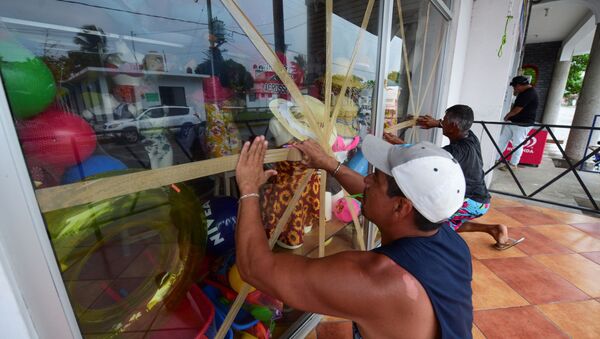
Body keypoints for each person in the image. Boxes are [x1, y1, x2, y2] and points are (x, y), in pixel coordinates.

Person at [235, 135, 473, 338]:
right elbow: (379, 198)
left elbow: (255, 268)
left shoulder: (380, 281)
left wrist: (248, 190)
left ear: (401, 207)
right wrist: (329, 164)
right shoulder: (452, 242)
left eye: (375, 178)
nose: (366, 179)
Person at [384, 104, 524, 250]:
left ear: (453, 126)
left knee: (432, 223)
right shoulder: (470, 136)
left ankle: (434, 253)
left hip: (471, 201)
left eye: (444, 120)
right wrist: (437, 123)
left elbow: (425, 157)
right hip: (479, 199)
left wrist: (398, 143)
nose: (442, 121)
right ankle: (494, 229)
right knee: (451, 222)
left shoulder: (454, 152)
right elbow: (450, 130)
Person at [496, 75, 539, 170]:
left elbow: (517, 109)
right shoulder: (523, 92)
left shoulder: (529, 93)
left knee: (517, 144)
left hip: (523, 124)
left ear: (519, 85)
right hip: (514, 121)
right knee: (502, 140)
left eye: (515, 87)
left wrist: (507, 116)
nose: (514, 89)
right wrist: (516, 92)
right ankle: (495, 159)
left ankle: (513, 164)